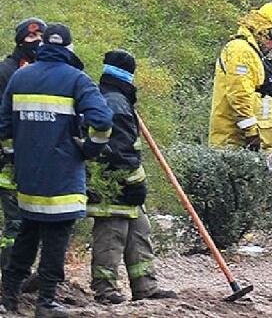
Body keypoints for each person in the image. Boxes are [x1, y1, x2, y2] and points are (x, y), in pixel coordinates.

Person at [0, 24, 113, 318]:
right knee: (56, 238)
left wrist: (16, 155)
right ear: (69, 48)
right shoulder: (77, 80)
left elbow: (4, 127)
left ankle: (9, 296)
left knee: (28, 230)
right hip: (62, 176)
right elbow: (102, 121)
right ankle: (46, 302)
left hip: (28, 176)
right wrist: (90, 149)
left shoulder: (20, 77)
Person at [87, 50, 176, 304]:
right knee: (111, 236)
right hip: (111, 184)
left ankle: (145, 287)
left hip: (124, 183)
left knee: (139, 232)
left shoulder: (117, 100)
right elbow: (123, 152)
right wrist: (136, 183)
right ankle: (105, 289)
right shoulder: (115, 104)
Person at [209, 2, 272, 151]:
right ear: (262, 29)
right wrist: (251, 132)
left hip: (250, 144)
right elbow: (239, 94)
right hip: (235, 143)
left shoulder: (254, 54)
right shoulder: (241, 50)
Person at [0, 18, 46, 271]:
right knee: (15, 223)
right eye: (30, 37)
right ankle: (11, 274)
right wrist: (10, 151)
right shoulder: (6, 71)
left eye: (41, 35)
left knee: (35, 222)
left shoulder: (45, 71)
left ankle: (25, 273)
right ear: (20, 40)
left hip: (37, 161)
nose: (36, 41)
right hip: (9, 164)